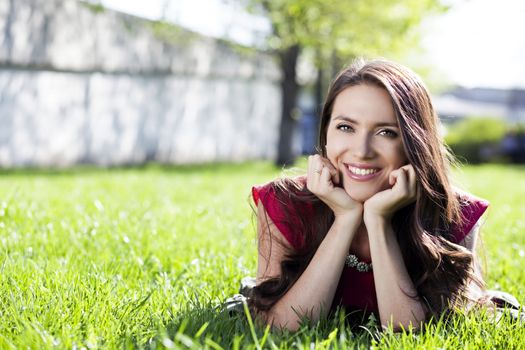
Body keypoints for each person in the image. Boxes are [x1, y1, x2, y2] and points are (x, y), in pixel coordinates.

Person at [246, 59, 494, 331]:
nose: (362, 150)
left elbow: (410, 335)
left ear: (416, 143)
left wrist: (378, 221)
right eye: (345, 127)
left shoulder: (455, 211)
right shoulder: (283, 202)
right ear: (326, 132)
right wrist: (345, 219)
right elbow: (282, 328)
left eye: (386, 132)